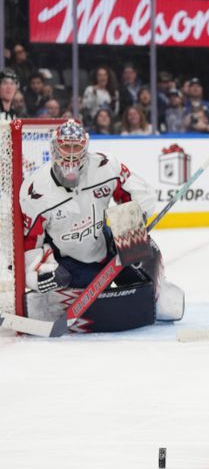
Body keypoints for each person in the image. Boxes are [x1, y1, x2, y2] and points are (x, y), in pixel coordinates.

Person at [18, 120, 184, 332]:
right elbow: (30, 247)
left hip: (104, 245)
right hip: (71, 262)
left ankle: (158, 293)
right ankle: (59, 299)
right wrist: (37, 276)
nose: (70, 154)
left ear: (85, 148)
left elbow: (141, 195)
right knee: (72, 283)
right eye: (65, 147)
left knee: (144, 252)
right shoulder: (35, 191)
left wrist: (134, 222)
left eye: (76, 147)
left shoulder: (105, 166)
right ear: (54, 148)